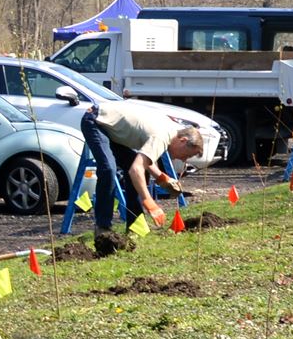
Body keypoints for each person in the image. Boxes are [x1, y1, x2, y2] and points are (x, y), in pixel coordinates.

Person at [79, 97, 203, 235]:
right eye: (187, 155)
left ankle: (135, 228)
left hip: (113, 130)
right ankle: (103, 228)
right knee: (108, 169)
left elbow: (144, 161)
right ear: (183, 140)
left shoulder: (170, 132)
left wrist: (162, 178)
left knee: (141, 172)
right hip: (96, 121)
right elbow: (135, 169)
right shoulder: (161, 137)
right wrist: (149, 202)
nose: (183, 159)